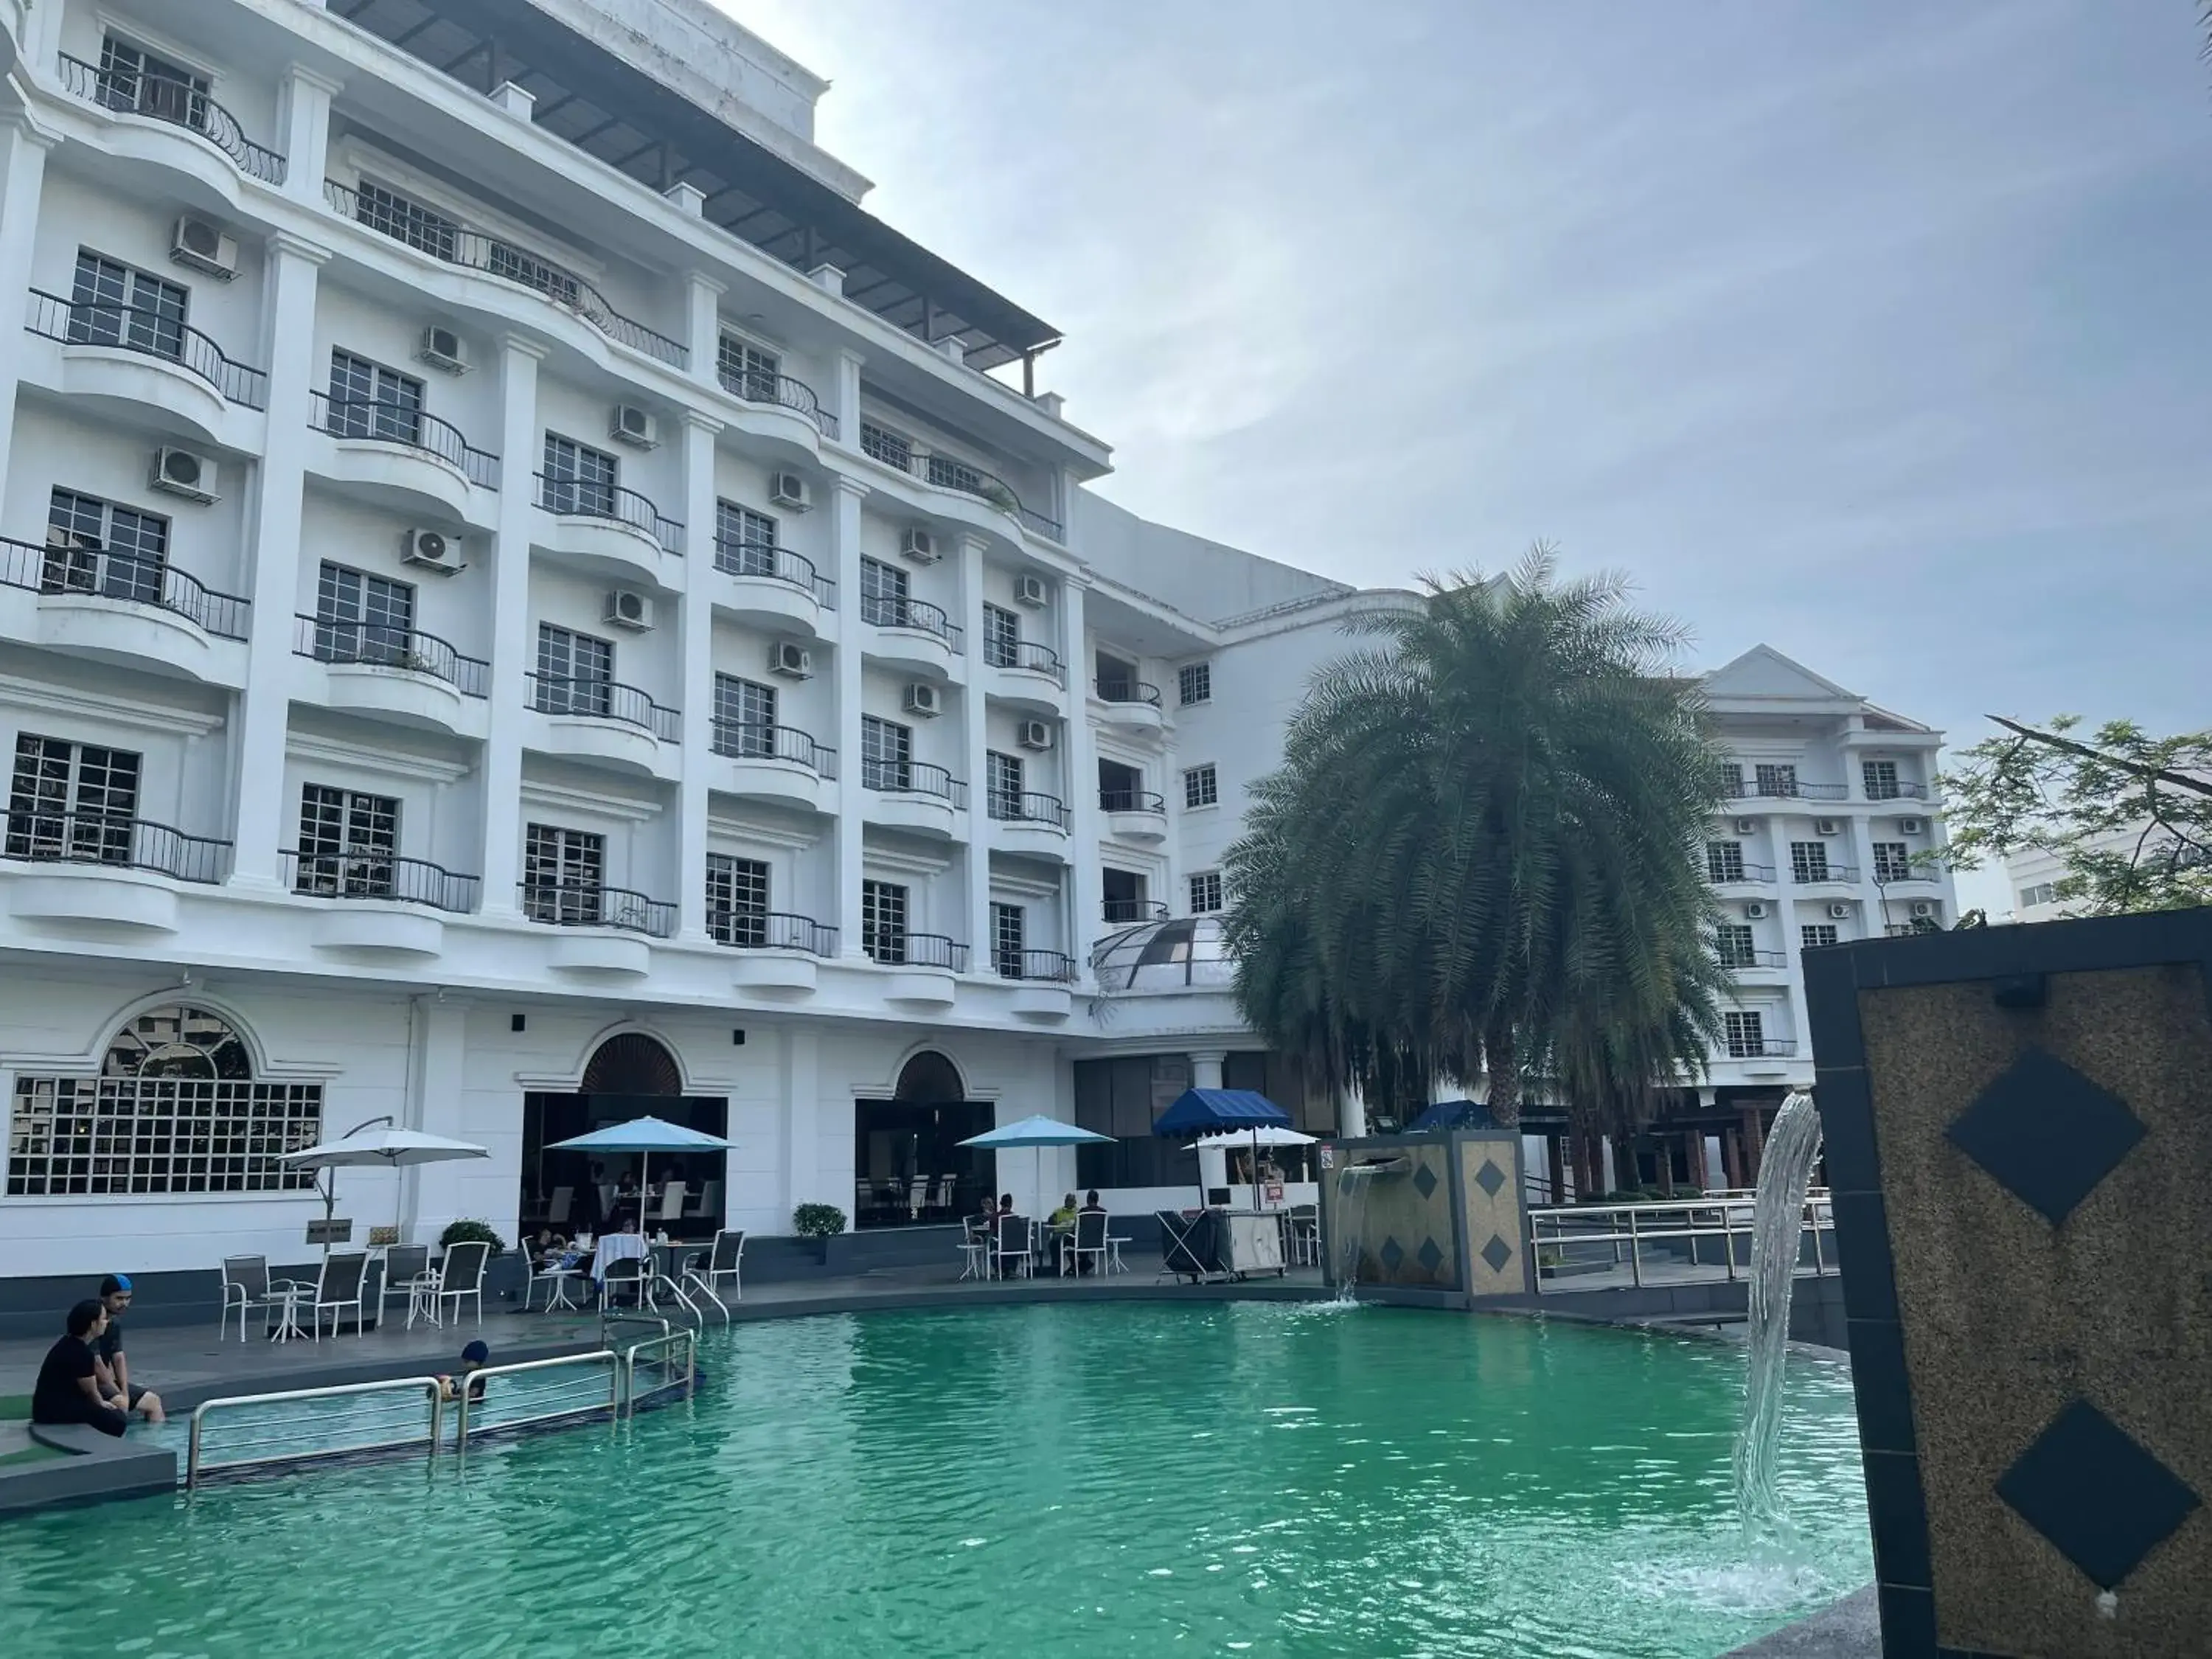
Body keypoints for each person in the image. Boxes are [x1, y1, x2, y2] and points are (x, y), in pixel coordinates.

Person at [32, 1301, 128, 1438]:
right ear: (93, 1324)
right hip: (53, 1411)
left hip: (47, 1407)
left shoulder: (68, 1343)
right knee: (117, 1420)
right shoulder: (81, 1353)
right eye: (103, 1319)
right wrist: (102, 1405)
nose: (106, 1322)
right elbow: (91, 1391)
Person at [91, 1274, 163, 1425]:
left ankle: (154, 1444)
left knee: (154, 1402)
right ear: (104, 1297)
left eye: (127, 1299)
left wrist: (124, 1391)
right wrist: (119, 1394)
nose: (124, 1304)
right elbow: (96, 1364)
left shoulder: (115, 1322)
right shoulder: (93, 1319)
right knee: (121, 1404)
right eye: (119, 1299)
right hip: (88, 1383)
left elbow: (118, 1358)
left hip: (104, 1382)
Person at [437, 1339, 492, 1405]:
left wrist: (452, 1398)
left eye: (467, 1362)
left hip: (474, 1405)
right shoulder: (470, 1371)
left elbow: (473, 1394)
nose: (463, 1364)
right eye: (463, 1361)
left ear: (479, 1362)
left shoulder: (478, 1375)